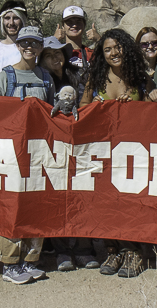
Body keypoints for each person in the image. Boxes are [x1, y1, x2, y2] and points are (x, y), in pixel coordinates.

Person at [80, 29, 157, 278]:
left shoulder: (140, 78)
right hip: (104, 151)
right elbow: (82, 108)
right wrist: (93, 108)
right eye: (107, 49)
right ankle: (113, 249)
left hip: (132, 152)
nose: (114, 53)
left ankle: (134, 252)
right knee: (106, 201)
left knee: (131, 202)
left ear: (126, 48)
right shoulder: (95, 79)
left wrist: (149, 99)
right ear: (101, 54)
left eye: (118, 47)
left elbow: (154, 113)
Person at [0, 25, 55, 285]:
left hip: (38, 152)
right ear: (18, 45)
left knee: (36, 204)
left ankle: (30, 259)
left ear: (40, 47)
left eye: (34, 43)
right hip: (11, 152)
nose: (29, 47)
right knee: (11, 206)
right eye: (24, 42)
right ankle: (9, 264)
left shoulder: (46, 78)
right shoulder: (5, 77)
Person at [39, 36, 99, 271]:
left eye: (59, 54)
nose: (55, 58)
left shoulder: (77, 77)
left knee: (82, 193)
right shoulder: (40, 80)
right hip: (51, 146)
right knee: (56, 196)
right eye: (49, 54)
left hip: (79, 144)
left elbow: (87, 104)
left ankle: (84, 249)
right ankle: (62, 251)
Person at [54, 5, 100, 70]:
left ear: (84, 25)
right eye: (69, 22)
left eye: (78, 22)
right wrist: (53, 40)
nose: (74, 25)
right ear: (63, 27)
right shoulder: (56, 53)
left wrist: (99, 40)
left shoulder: (91, 54)